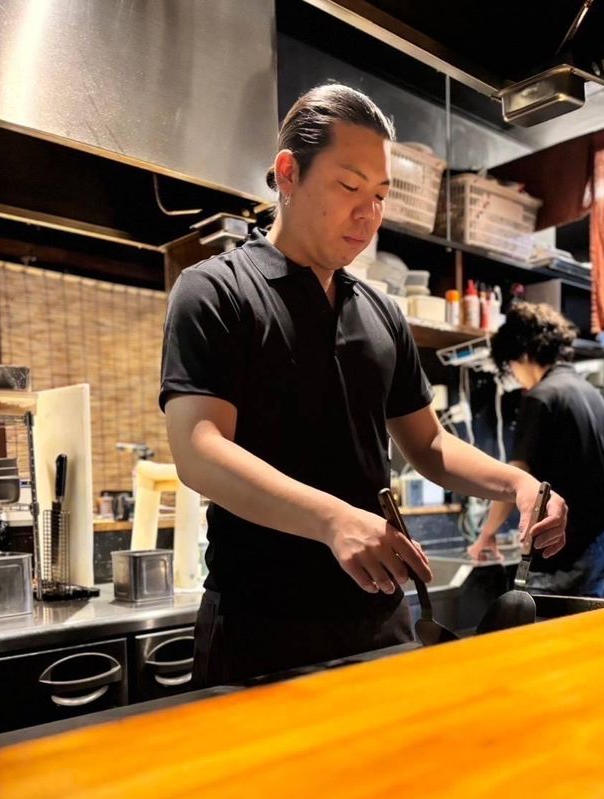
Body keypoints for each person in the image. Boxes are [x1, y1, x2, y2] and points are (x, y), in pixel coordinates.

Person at [160, 83, 568, 688]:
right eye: (349, 187)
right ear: (288, 173)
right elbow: (199, 450)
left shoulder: (381, 313)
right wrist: (333, 520)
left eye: (379, 195)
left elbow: (428, 445)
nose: (369, 213)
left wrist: (519, 484)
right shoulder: (215, 291)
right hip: (261, 623)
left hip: (381, 617)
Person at [468, 302, 604, 597]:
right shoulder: (595, 396)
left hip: (561, 561)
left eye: (512, 366)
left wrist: (486, 535)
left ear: (523, 354)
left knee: (540, 627)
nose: (516, 375)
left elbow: (514, 478)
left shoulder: (540, 398)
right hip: (602, 550)